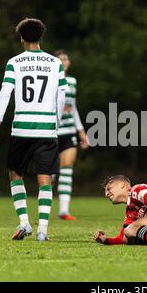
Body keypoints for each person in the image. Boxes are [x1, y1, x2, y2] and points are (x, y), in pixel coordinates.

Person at [0, 18, 68, 241]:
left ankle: (24, 222)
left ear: (22, 38)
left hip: (22, 130)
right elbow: (61, 95)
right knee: (44, 179)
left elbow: (5, 93)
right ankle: (43, 229)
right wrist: (57, 121)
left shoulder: (14, 62)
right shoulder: (55, 63)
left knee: (15, 173)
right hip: (46, 130)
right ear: (40, 37)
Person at [53, 50, 89, 220]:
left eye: (66, 58)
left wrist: (82, 133)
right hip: (50, 132)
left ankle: (63, 210)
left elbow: (73, 108)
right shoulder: (49, 79)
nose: (64, 60)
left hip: (68, 131)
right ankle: (44, 202)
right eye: (60, 58)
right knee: (50, 171)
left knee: (66, 168)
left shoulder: (72, 82)